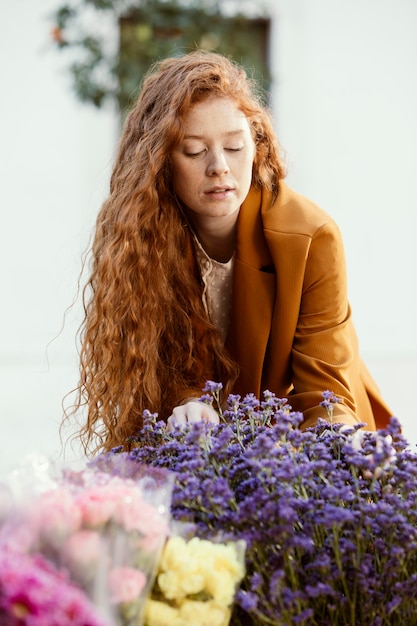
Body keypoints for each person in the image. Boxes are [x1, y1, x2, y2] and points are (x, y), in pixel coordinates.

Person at [69, 50, 392, 455]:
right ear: (159, 162)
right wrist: (186, 403)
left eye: (235, 147)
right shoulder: (135, 237)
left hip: (308, 445)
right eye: (193, 150)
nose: (219, 166)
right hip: (199, 452)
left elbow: (325, 392)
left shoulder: (312, 236)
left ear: (256, 146)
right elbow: (151, 370)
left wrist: (341, 447)